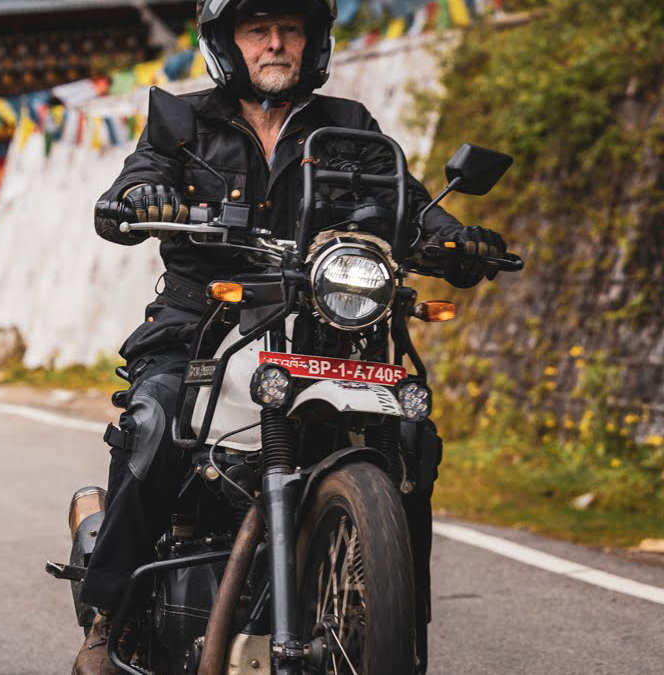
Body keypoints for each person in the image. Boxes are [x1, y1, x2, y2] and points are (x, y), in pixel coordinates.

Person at [72, 1, 507, 674]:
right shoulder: (185, 123)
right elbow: (140, 178)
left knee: (411, 438)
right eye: (258, 29)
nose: (276, 43)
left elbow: (407, 209)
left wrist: (455, 240)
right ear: (228, 42)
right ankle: (109, 616)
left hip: (322, 328)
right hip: (201, 323)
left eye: (290, 29)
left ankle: (398, 635)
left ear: (312, 41)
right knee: (156, 418)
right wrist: (141, 198)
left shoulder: (348, 127)